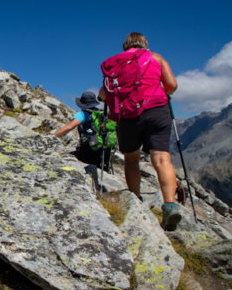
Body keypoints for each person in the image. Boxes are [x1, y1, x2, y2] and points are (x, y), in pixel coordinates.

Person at [99, 32, 181, 230]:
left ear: (125, 45)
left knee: (131, 159)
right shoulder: (156, 58)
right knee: (161, 159)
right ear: (145, 44)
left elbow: (104, 93)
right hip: (157, 110)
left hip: (128, 115)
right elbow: (172, 86)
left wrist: (104, 100)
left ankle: (135, 200)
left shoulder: (115, 63)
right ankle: (170, 205)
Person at [54, 91, 115, 171]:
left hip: (88, 154)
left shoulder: (83, 114)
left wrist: (52, 136)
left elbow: (69, 127)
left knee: (66, 157)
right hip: (104, 154)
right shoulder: (102, 114)